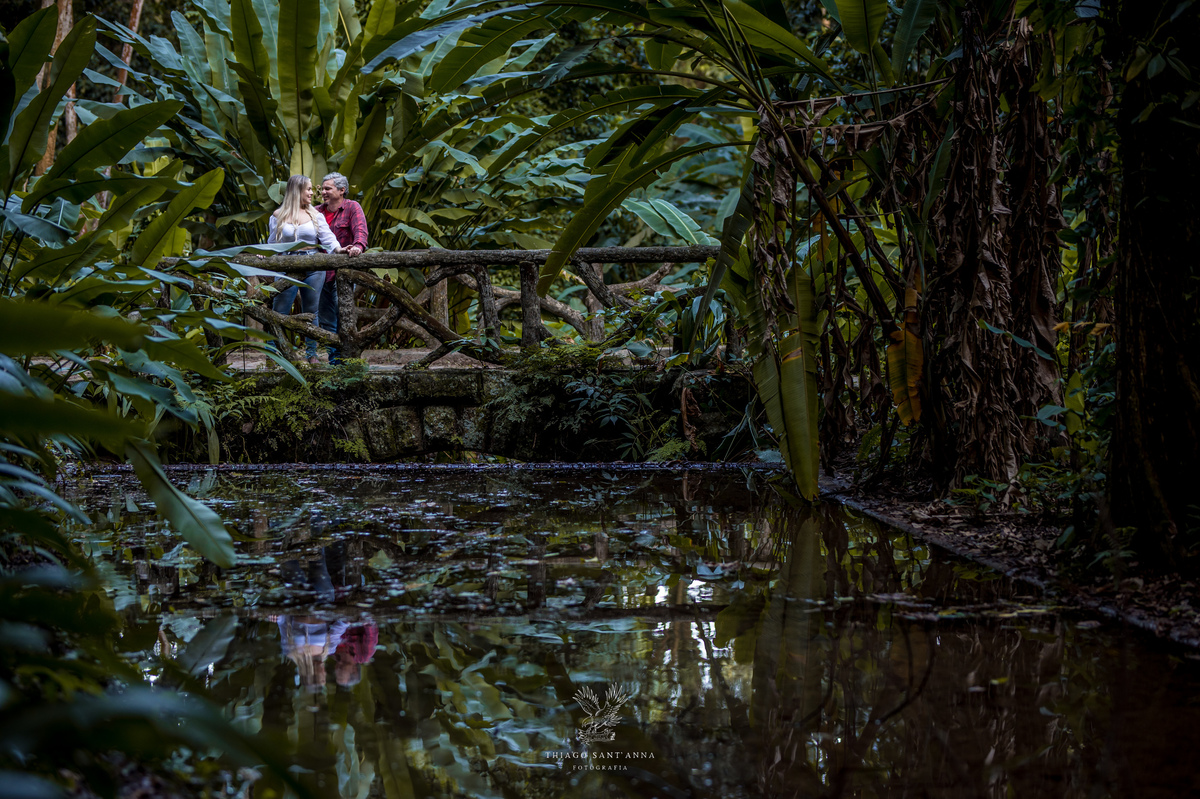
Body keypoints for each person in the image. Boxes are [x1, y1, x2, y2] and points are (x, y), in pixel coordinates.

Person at [268, 175, 344, 364]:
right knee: (279, 311)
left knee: (312, 311)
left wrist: (339, 249)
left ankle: (312, 355)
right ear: (297, 191)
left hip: (313, 266)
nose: (312, 193)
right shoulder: (278, 215)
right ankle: (275, 354)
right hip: (286, 266)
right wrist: (264, 253)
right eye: (308, 189)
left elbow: (328, 238)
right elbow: (272, 243)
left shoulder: (315, 215)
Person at [315, 172, 369, 365]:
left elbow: (361, 231)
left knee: (343, 315)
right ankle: (334, 362)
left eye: (327, 188)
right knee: (327, 320)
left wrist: (358, 247)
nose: (323, 192)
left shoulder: (352, 207)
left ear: (341, 190)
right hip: (320, 274)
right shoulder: (315, 211)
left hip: (343, 275)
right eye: (322, 188)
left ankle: (348, 361)